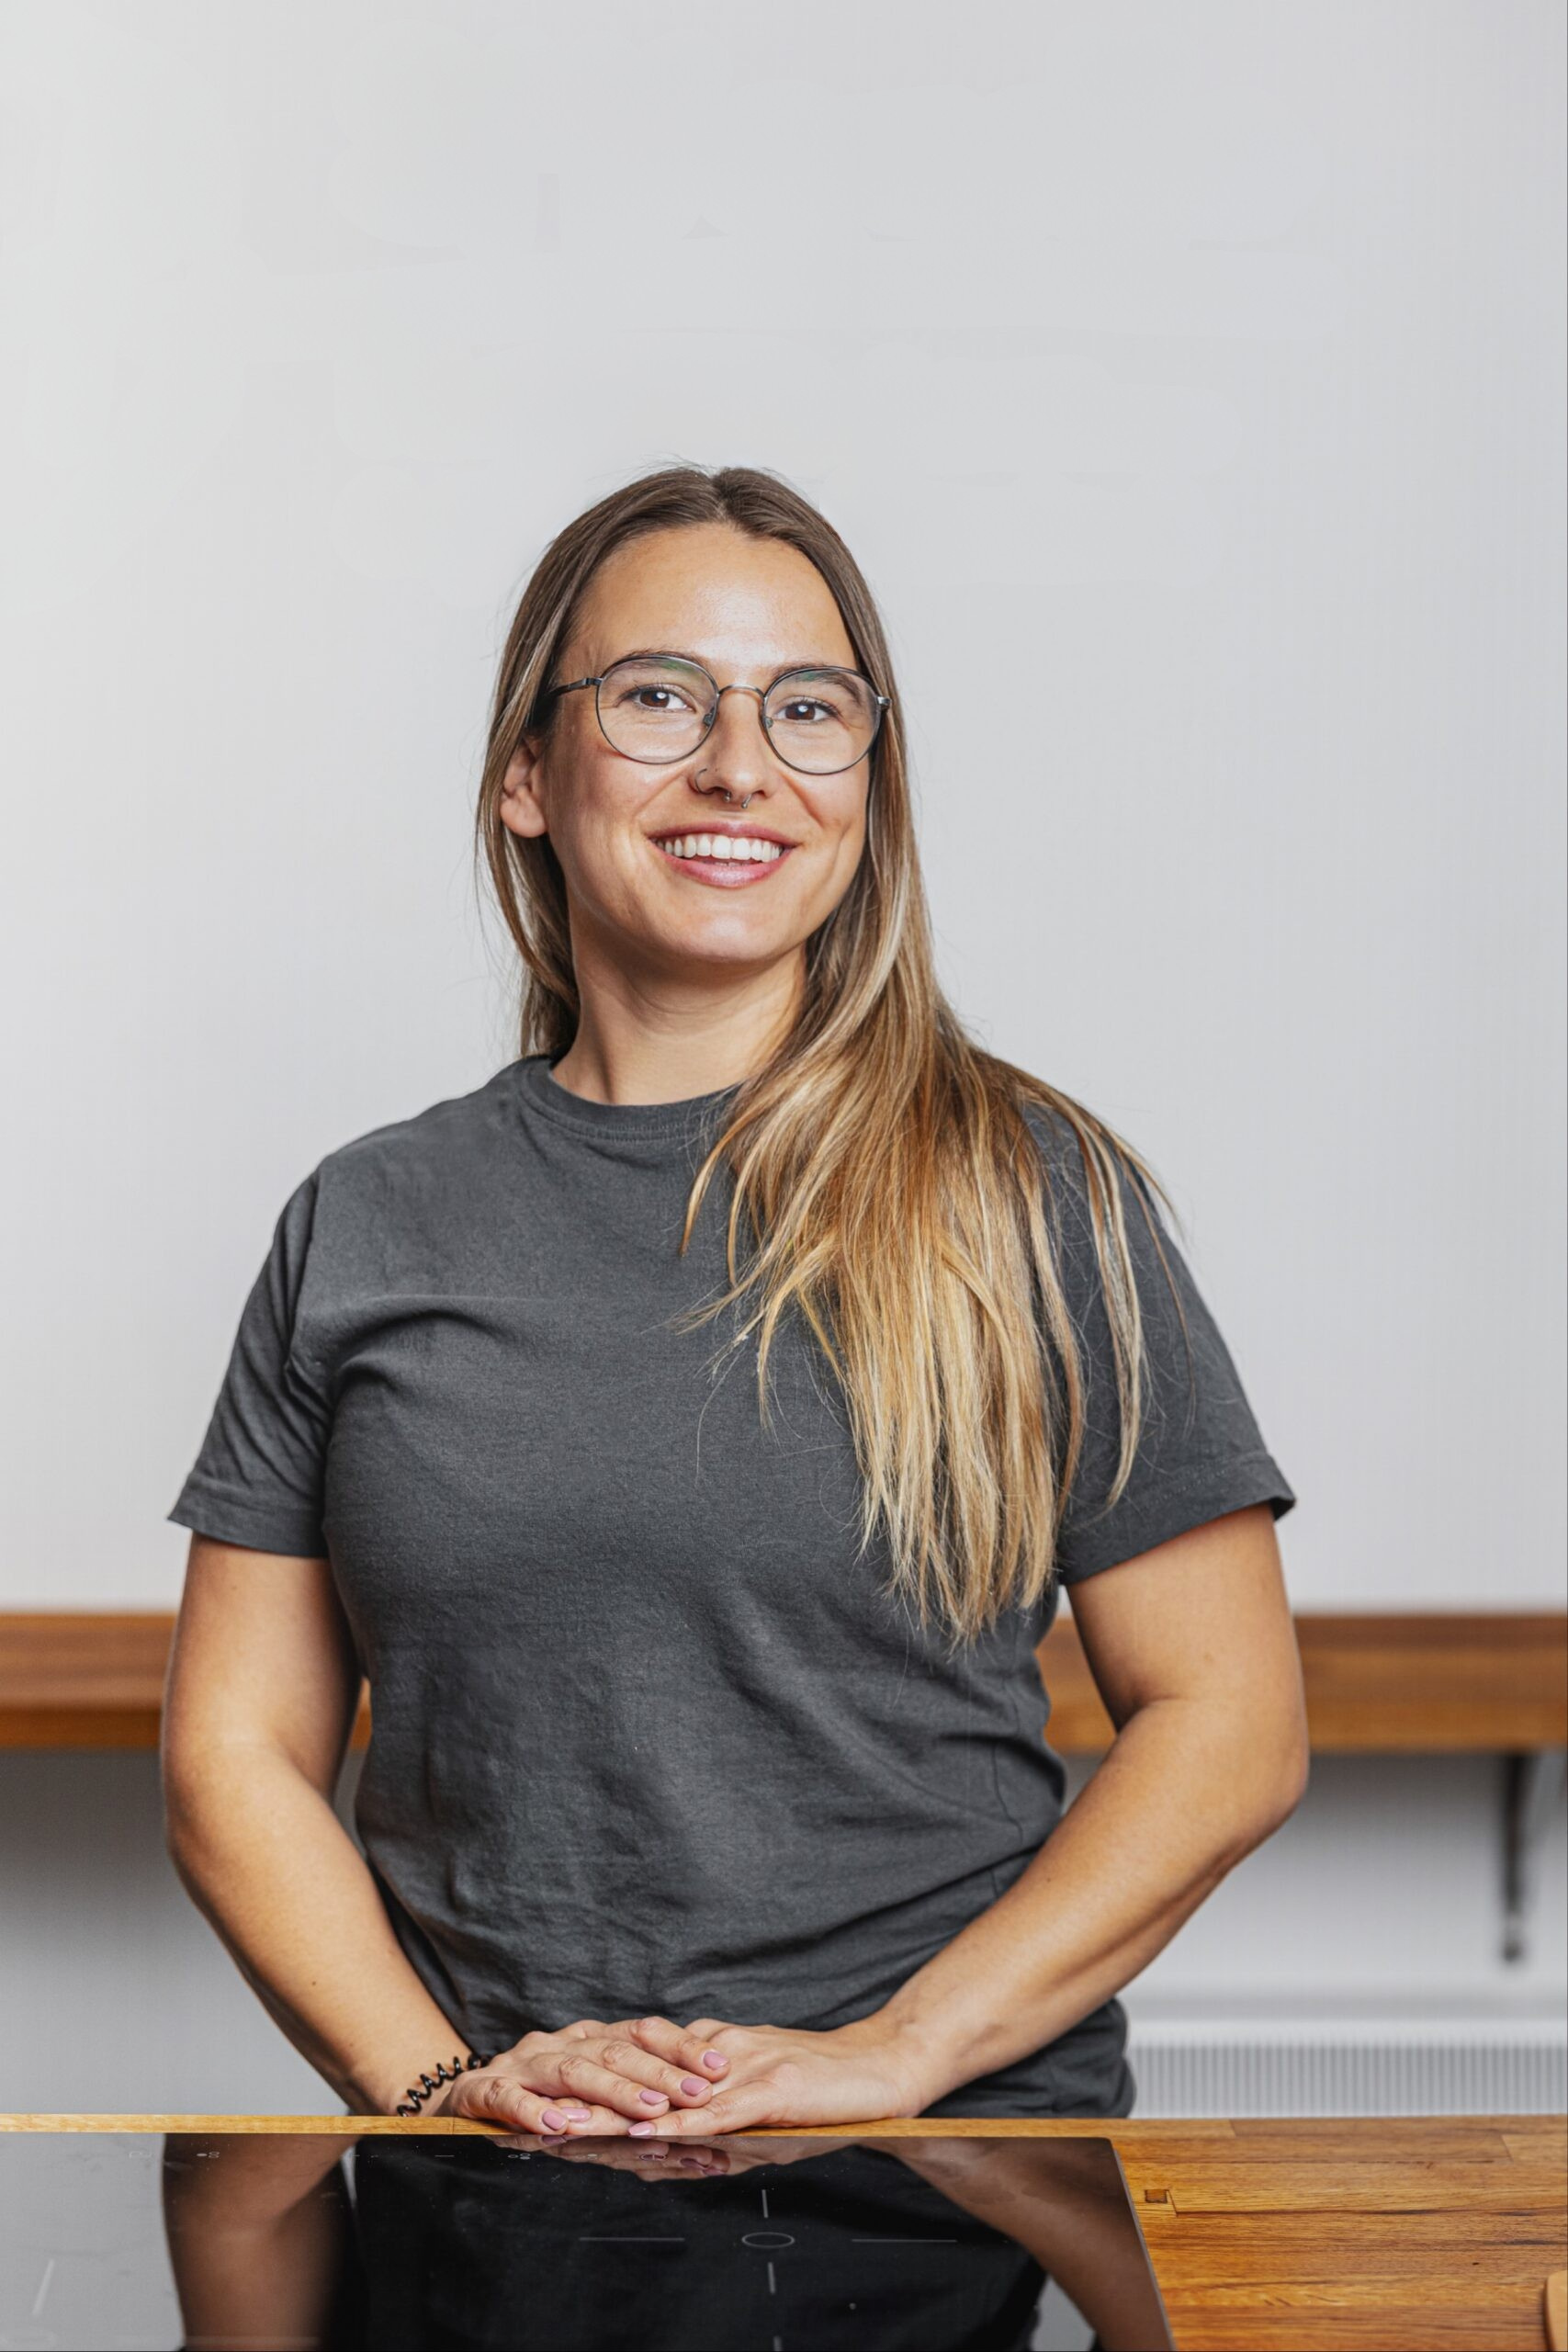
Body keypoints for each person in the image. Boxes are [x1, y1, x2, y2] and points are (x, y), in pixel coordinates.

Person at [162, 463, 1307, 2141]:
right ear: (525, 778)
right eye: (654, 697)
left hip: (949, 2164)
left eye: (807, 709)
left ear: (867, 782)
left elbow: (1230, 1725)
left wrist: (899, 2053)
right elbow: (234, 1757)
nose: (737, 767)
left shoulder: (1027, 1190)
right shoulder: (367, 1220)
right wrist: (447, 2089)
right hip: (499, 2185)